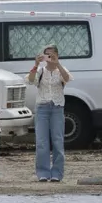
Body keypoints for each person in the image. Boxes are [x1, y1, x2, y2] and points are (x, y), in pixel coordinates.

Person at [26, 44, 71, 183]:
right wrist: (36, 64)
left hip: (57, 107)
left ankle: (57, 172)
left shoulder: (61, 70)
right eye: (47, 55)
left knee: (58, 140)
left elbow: (67, 78)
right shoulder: (40, 70)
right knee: (41, 142)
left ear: (57, 55)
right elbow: (30, 80)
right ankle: (43, 173)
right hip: (42, 108)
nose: (49, 58)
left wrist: (58, 64)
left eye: (52, 55)